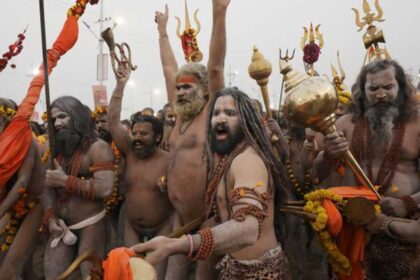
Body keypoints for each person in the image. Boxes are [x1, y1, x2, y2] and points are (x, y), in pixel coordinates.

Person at [131, 87, 291, 279]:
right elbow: (223, 217)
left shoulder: (247, 160)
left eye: (230, 113)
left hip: (262, 274)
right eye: (216, 113)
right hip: (235, 268)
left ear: (246, 121)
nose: (220, 119)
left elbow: (248, 229)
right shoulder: (229, 158)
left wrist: (180, 245)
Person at [314, 59, 420, 279]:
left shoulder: (416, 123)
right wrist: (329, 155)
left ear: (400, 86)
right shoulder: (345, 123)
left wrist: (406, 203)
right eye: (373, 88)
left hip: (403, 226)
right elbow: (318, 173)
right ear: (362, 91)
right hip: (354, 225)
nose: (381, 94)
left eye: (388, 87)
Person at [154, 0, 230, 278]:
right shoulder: (181, 116)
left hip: (209, 219)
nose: (181, 92)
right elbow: (167, 67)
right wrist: (162, 31)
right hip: (180, 218)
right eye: (178, 88)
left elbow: (216, 67)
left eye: (187, 87)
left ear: (204, 90)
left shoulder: (212, 111)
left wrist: (219, 13)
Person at [108, 64, 173, 280]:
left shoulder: (169, 160)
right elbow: (113, 122)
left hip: (163, 226)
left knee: (157, 275)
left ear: (157, 137)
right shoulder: (129, 152)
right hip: (132, 226)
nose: (137, 137)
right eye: (134, 133)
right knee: (132, 274)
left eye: (143, 134)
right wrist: (120, 86)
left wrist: (169, 186)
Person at [42, 96, 114, 279]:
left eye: (62, 117)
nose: (57, 123)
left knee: (90, 274)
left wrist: (65, 181)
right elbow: (47, 188)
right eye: (53, 119)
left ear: (77, 117)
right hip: (62, 225)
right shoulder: (55, 151)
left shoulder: (98, 148)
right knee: (53, 273)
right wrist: (51, 219)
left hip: (91, 222)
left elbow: (105, 188)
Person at [0, 99, 44, 280]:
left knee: (9, 271)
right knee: (18, 266)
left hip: (36, 204)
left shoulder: (26, 142)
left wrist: (0, 211)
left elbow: (23, 182)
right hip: (13, 204)